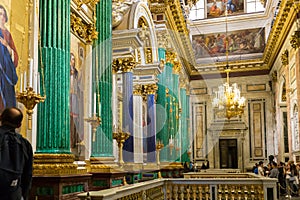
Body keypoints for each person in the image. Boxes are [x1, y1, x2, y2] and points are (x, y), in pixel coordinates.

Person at [0, 107, 33, 200]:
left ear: (0, 117)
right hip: (15, 193)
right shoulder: (25, 144)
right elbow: (28, 175)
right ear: (19, 125)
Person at [0, 5, 19, 112]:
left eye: (3, 14)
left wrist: (7, 46)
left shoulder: (7, 34)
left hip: (6, 74)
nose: (1, 17)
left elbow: (15, 57)